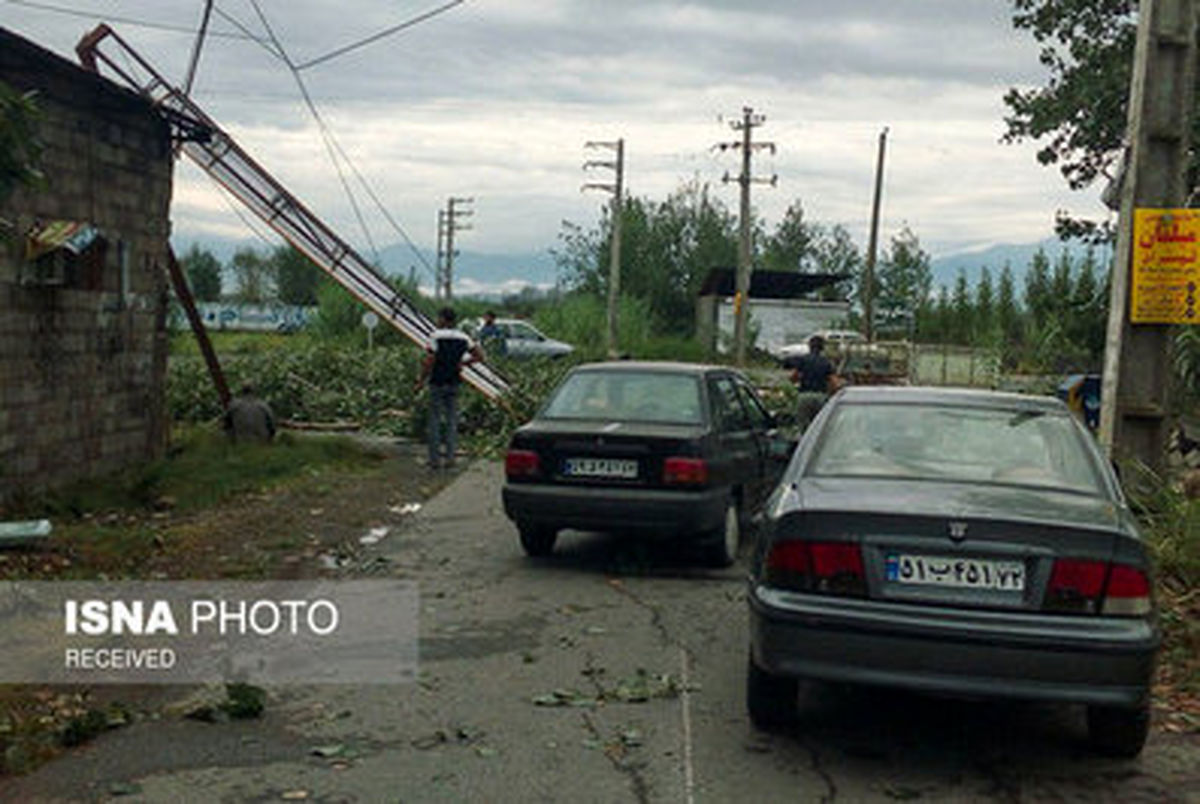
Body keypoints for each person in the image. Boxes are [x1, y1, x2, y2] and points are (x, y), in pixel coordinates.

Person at [416, 308, 483, 469]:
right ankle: (451, 458)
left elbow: (429, 360)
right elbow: (480, 356)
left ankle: (434, 460)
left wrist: (420, 380)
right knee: (452, 422)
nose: (437, 321)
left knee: (435, 422)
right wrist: (462, 363)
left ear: (444, 320)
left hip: (437, 383)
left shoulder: (435, 336)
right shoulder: (464, 337)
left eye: (439, 318)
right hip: (454, 383)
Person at [789, 334, 837, 432]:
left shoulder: (803, 360)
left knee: (803, 429)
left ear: (809, 346)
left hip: (804, 395)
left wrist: (799, 379)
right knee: (819, 427)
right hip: (820, 396)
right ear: (822, 348)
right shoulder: (826, 362)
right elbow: (834, 382)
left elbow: (793, 377)